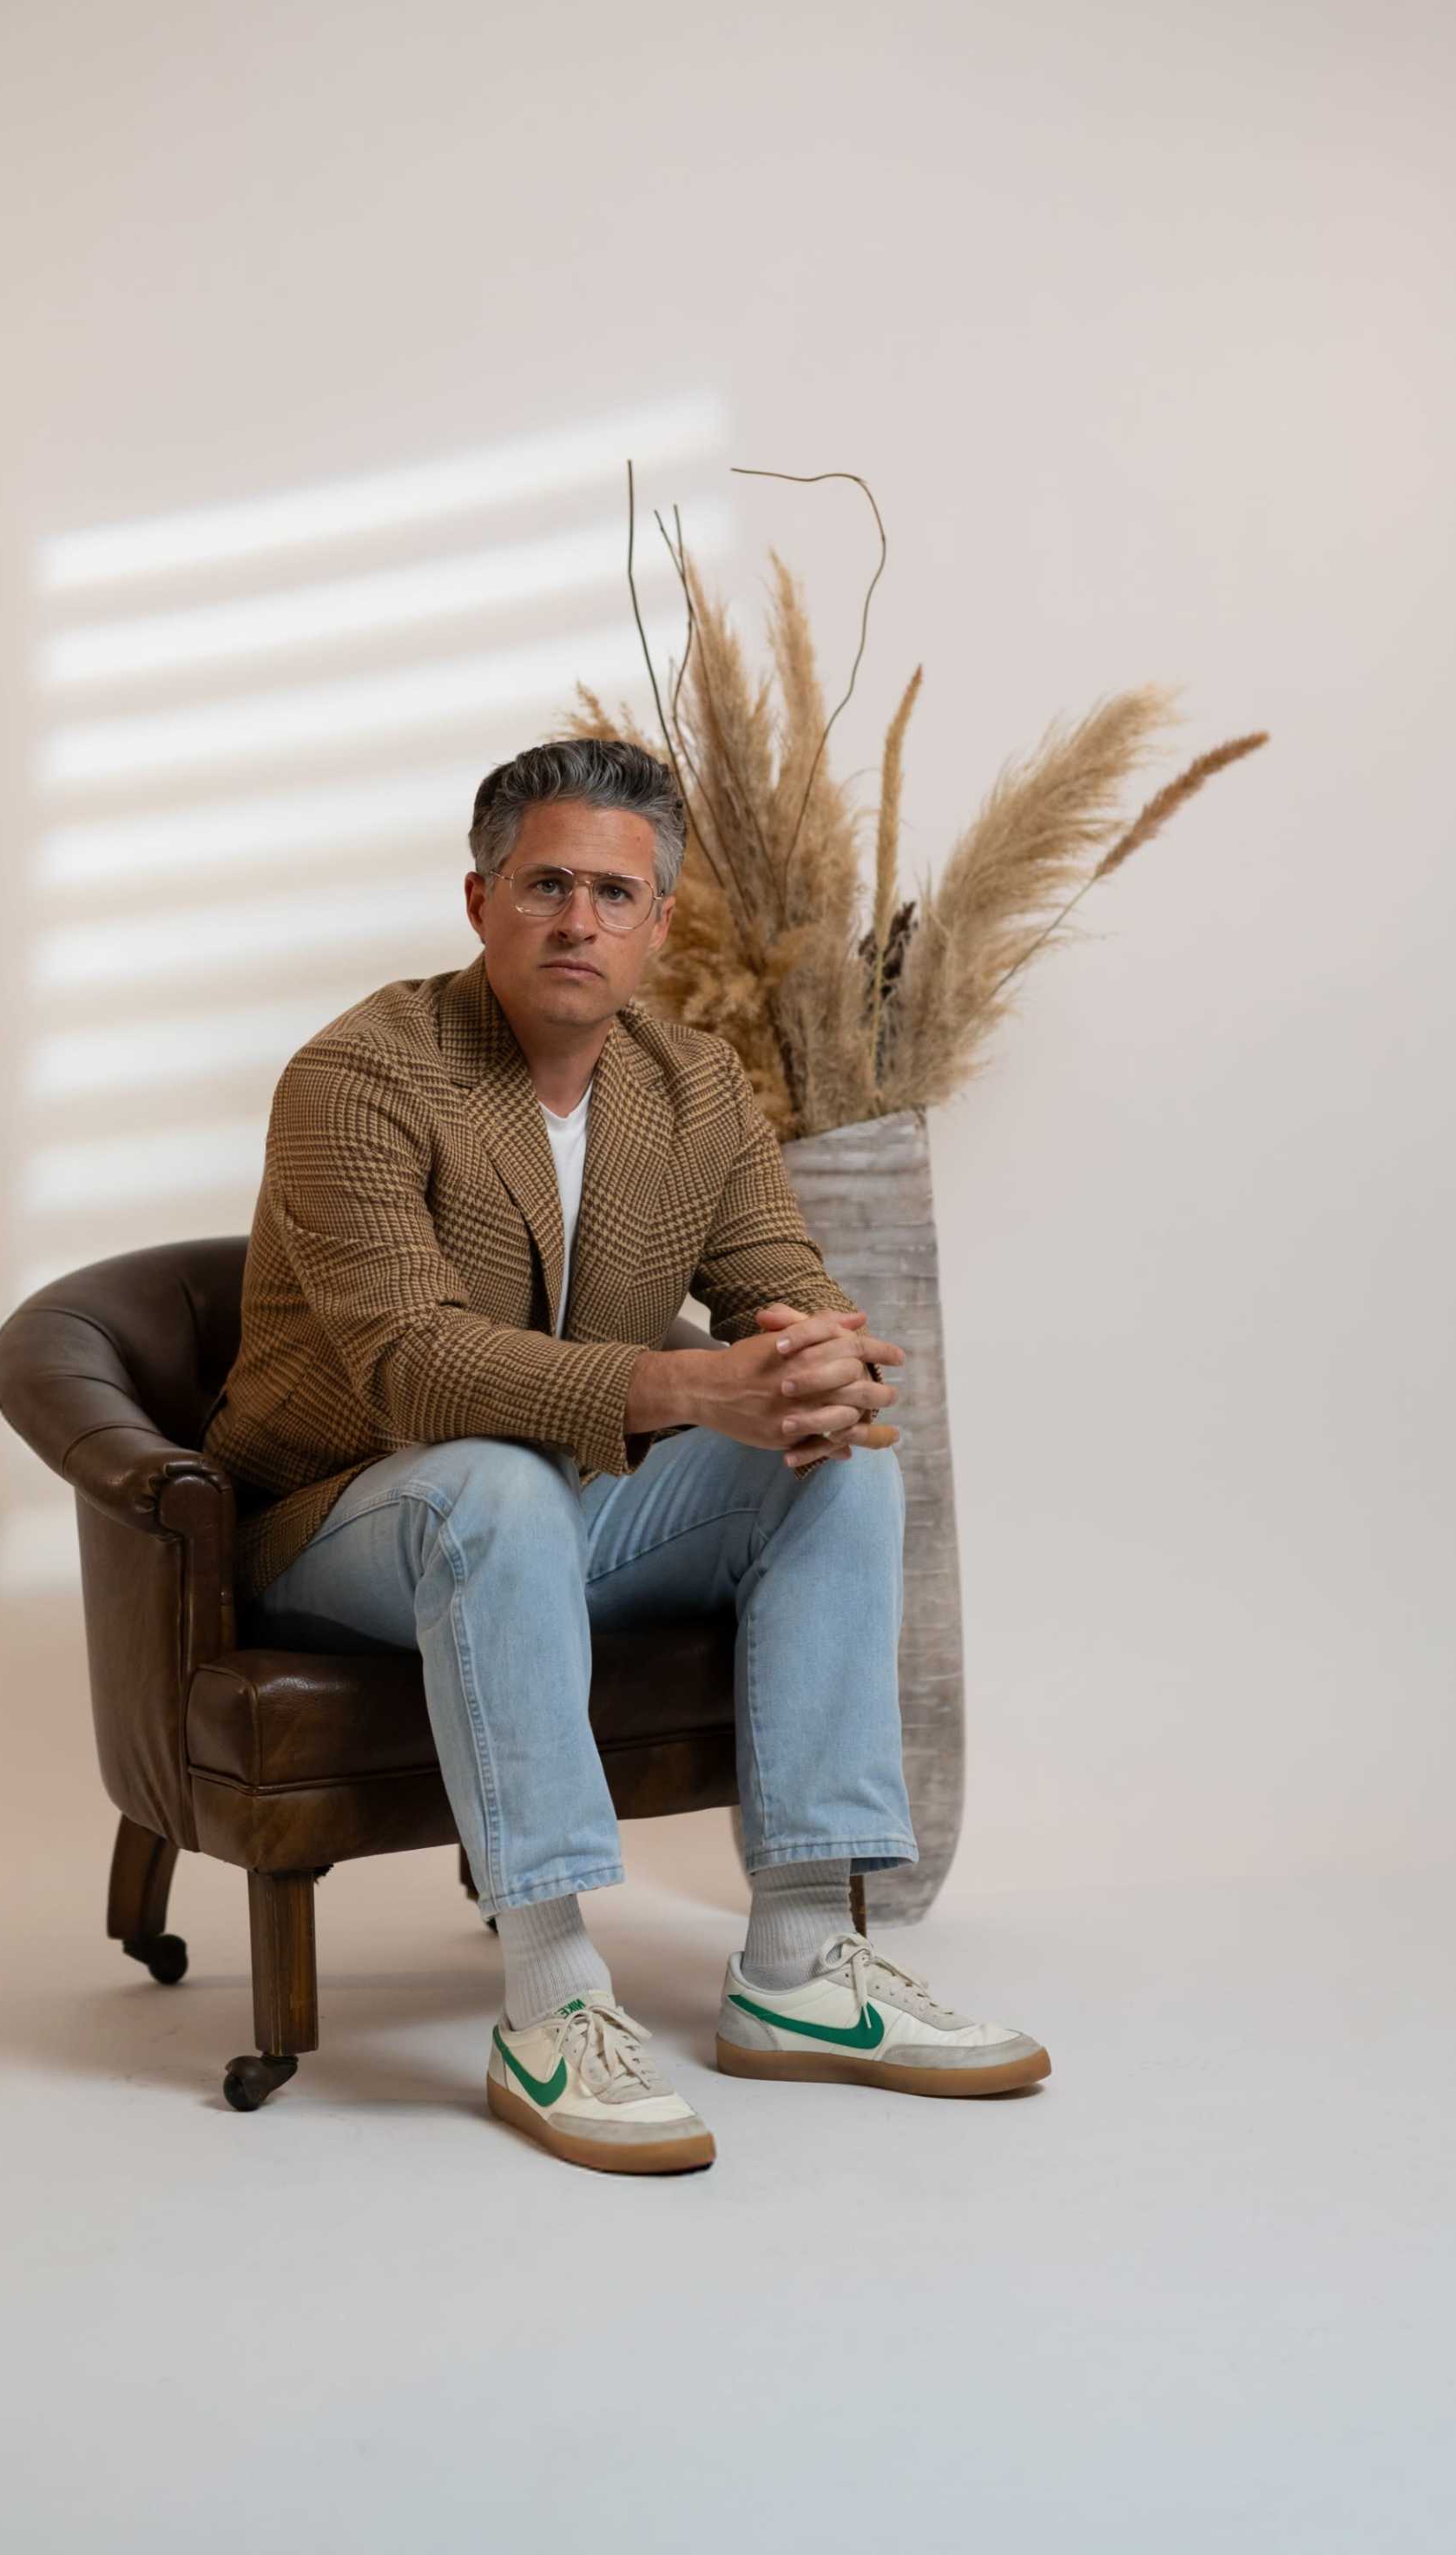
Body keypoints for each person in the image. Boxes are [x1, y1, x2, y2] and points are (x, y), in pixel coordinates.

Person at [199, 736, 1048, 2175]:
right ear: (479, 902)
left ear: (662, 922)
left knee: (835, 1461)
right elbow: (416, 1363)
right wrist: (682, 1381)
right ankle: (548, 1997)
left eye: (613, 891)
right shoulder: (356, 1076)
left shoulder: (696, 1087)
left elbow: (775, 1268)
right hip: (343, 1522)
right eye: (545, 885)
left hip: (554, 1513)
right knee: (492, 1476)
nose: (577, 919)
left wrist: (810, 1358)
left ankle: (799, 1959)